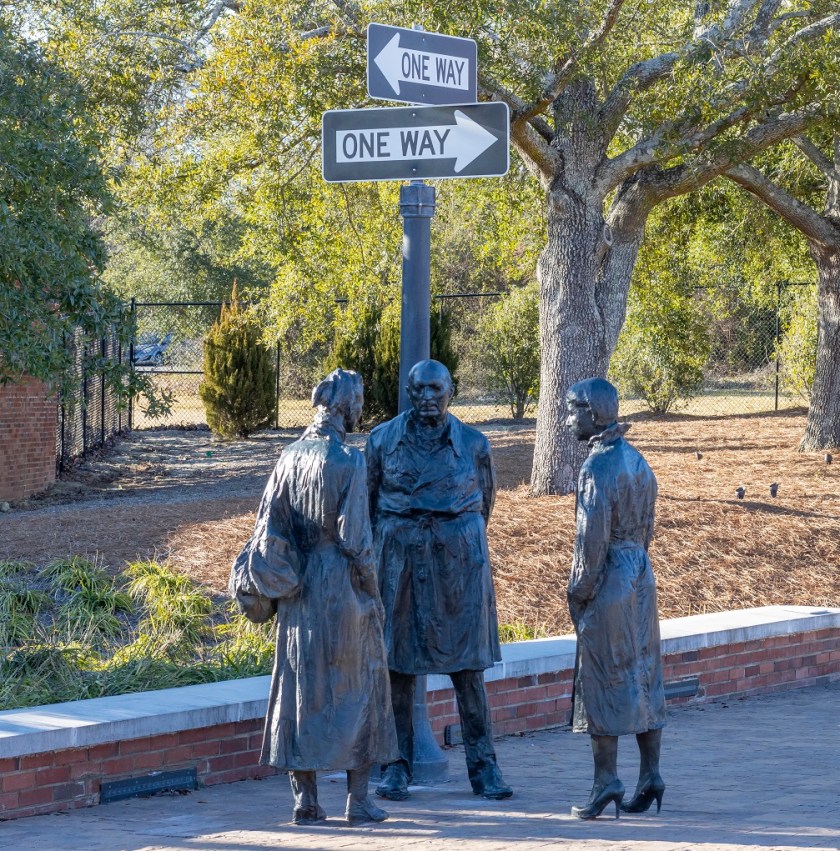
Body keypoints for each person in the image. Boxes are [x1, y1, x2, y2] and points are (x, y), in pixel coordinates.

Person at [230, 368, 398, 826]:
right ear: (344, 405)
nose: (363, 405)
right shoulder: (349, 459)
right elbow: (357, 540)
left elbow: (269, 526)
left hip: (299, 589)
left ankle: (305, 801)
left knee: (300, 688)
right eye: (360, 397)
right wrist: (373, 593)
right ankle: (358, 800)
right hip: (341, 583)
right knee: (361, 687)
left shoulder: (287, 456)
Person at [366, 358, 512, 802]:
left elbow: (483, 505)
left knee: (468, 672)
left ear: (453, 390)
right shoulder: (381, 440)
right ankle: (395, 765)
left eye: (436, 389)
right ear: (408, 394)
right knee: (398, 669)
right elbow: (369, 505)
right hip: (400, 564)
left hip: (457, 567)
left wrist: (452, 537)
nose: (428, 398)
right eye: (419, 390)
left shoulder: (474, 443)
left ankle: (484, 769)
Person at [564, 377, 666, 820]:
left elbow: (591, 546)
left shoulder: (596, 469)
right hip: (640, 574)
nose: (568, 420)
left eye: (572, 411)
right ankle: (651, 774)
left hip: (608, 580)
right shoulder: (638, 460)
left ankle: (605, 781)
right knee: (644, 674)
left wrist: (577, 595)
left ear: (591, 413)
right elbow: (646, 528)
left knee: (603, 678)